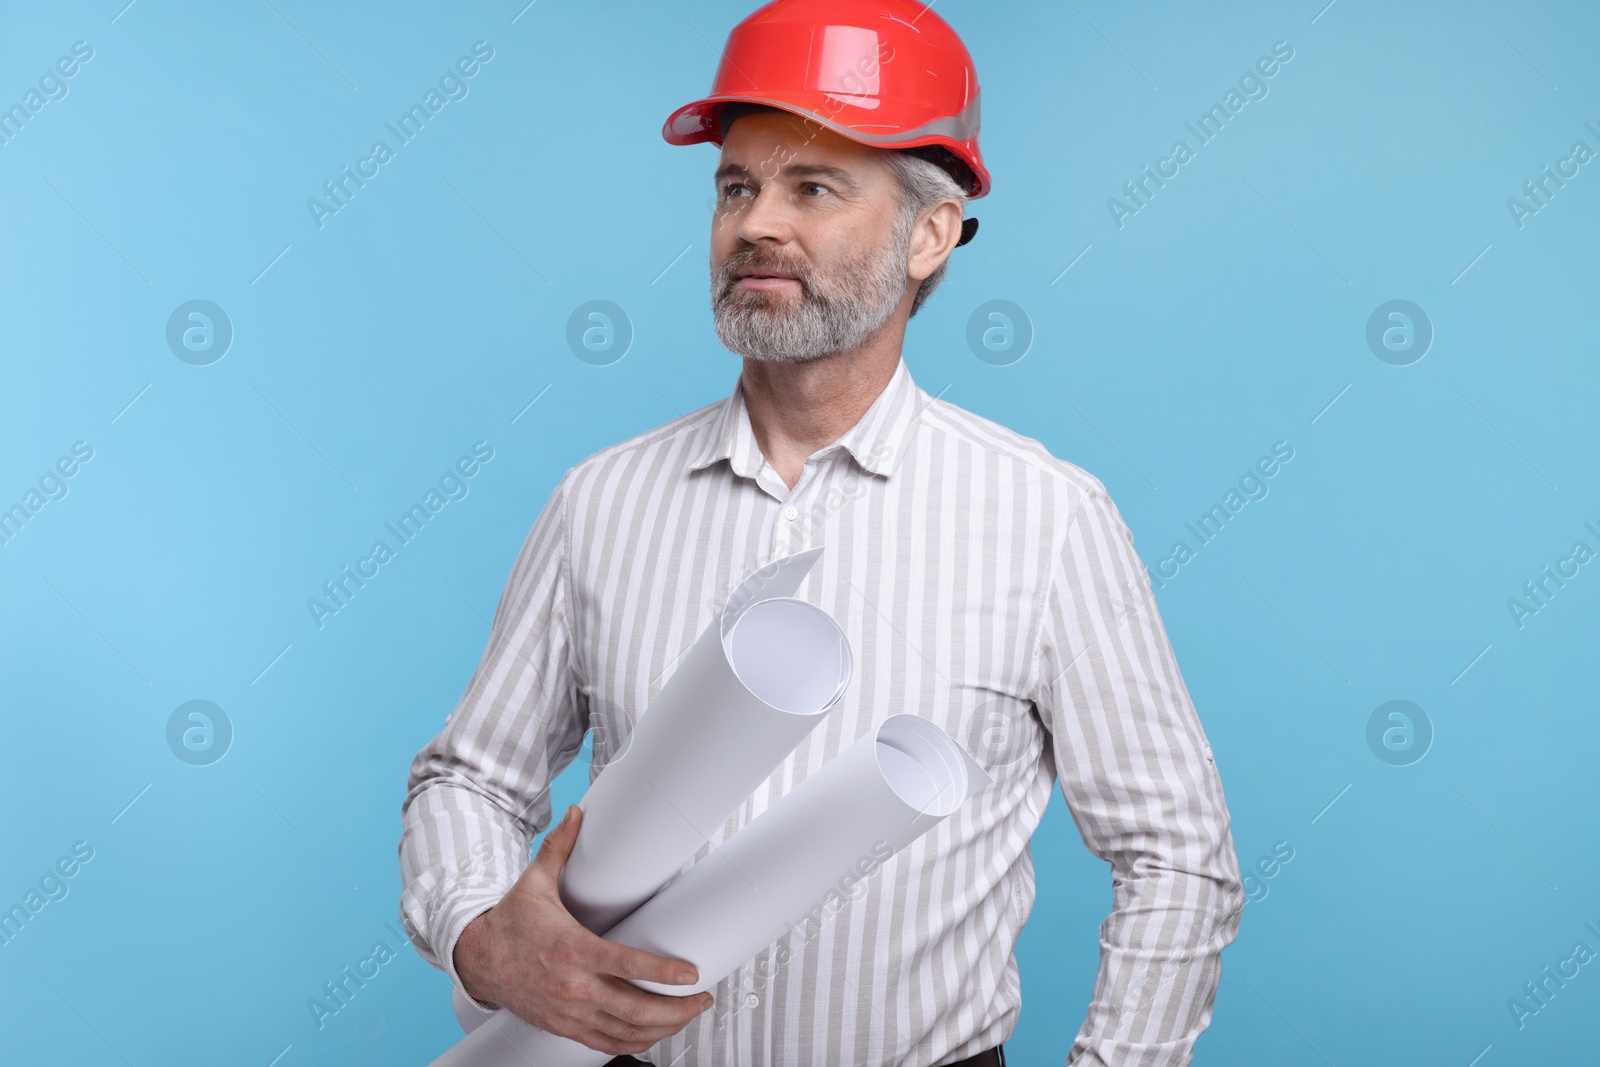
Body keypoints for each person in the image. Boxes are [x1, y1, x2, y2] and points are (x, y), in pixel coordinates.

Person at [398, 2, 1244, 1065]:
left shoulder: (1046, 518)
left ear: (928, 235)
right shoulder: (599, 502)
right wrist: (481, 934)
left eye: (813, 187)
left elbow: (1175, 853)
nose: (756, 224)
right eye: (736, 187)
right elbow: (470, 777)